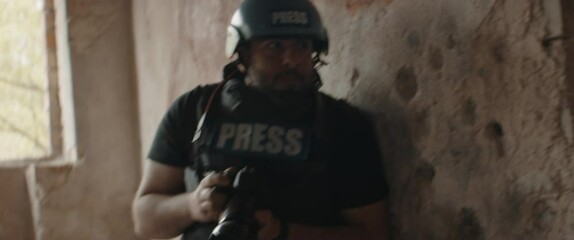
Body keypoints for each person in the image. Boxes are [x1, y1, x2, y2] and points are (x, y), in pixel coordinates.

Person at [132, 0, 390, 239]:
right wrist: (193, 205)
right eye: (274, 46)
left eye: (301, 46)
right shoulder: (196, 109)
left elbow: (372, 233)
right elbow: (144, 220)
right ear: (243, 53)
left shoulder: (342, 124)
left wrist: (283, 231)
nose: (290, 59)